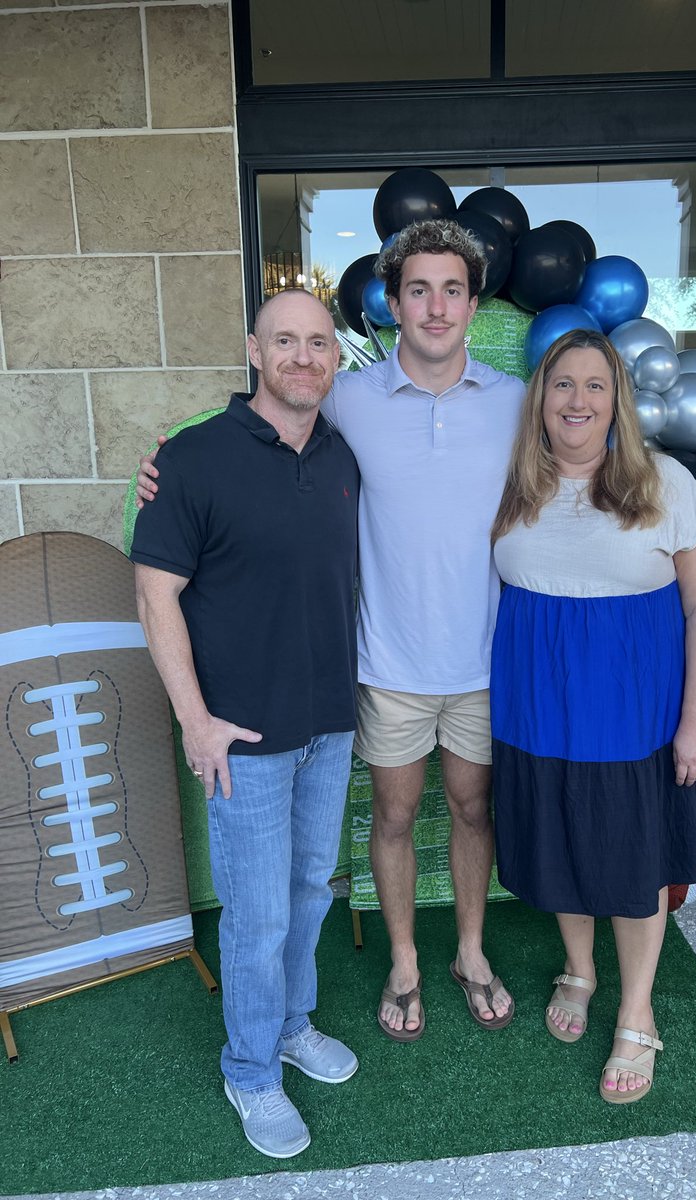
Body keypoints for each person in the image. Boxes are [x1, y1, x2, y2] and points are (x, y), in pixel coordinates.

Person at [136, 219, 525, 1040]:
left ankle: (470, 953)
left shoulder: (516, 404)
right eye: (417, 288)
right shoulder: (350, 395)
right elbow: (263, 415)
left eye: (451, 289)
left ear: (473, 303)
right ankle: (404, 965)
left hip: (484, 663)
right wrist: (169, 456)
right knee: (388, 818)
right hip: (384, 666)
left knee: (470, 811)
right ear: (392, 304)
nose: (435, 306)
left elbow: (584, 458)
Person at [130, 290, 360, 1158]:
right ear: (254, 352)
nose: (304, 357)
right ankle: (251, 1069)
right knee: (257, 917)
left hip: (328, 725)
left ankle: (291, 1026)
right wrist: (195, 720)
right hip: (242, 738)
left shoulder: (343, 454)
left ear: (334, 357)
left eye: (319, 343)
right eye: (286, 341)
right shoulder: (191, 459)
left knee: (308, 894)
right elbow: (155, 596)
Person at [489, 328, 696, 1103]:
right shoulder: (513, 481)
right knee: (558, 842)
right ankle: (581, 970)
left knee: (630, 860)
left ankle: (635, 1010)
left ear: (618, 400)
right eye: (564, 384)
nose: (578, 400)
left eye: (596, 386)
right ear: (541, 398)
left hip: (634, 712)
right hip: (534, 708)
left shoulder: (665, 483)